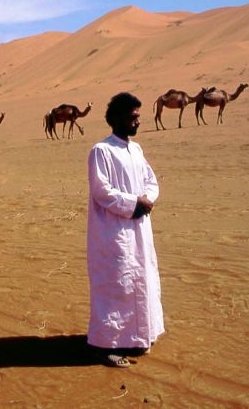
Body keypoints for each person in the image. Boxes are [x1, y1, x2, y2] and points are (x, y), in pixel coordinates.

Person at [86, 92, 164, 368]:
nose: (137, 122)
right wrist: (133, 203)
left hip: (139, 228)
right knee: (116, 283)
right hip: (113, 232)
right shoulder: (101, 151)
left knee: (140, 279)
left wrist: (147, 199)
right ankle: (104, 345)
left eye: (138, 117)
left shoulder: (136, 149)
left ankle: (137, 336)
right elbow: (102, 191)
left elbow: (151, 181)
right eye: (132, 118)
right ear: (117, 118)